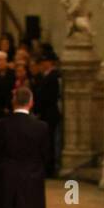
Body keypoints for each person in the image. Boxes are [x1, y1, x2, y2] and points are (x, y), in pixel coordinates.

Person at [32, 48, 61, 177]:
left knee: (49, 141)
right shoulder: (46, 76)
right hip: (45, 111)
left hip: (49, 112)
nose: (43, 64)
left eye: (44, 61)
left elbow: (47, 96)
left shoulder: (53, 76)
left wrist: (38, 109)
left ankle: (49, 168)